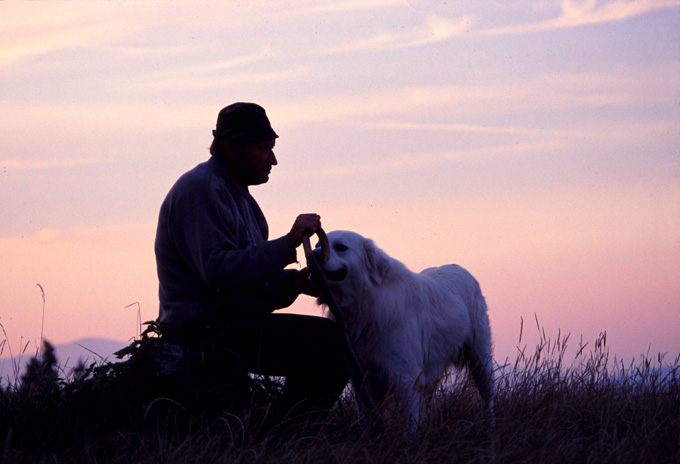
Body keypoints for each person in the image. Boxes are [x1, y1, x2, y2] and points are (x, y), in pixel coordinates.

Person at [154, 102, 349, 423]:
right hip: (201, 329)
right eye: (264, 149)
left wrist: (294, 284)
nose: (273, 159)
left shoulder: (237, 197)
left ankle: (284, 432)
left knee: (333, 338)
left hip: (229, 323)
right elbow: (218, 272)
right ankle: (289, 435)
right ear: (232, 148)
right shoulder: (200, 190)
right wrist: (289, 243)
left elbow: (245, 281)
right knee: (327, 342)